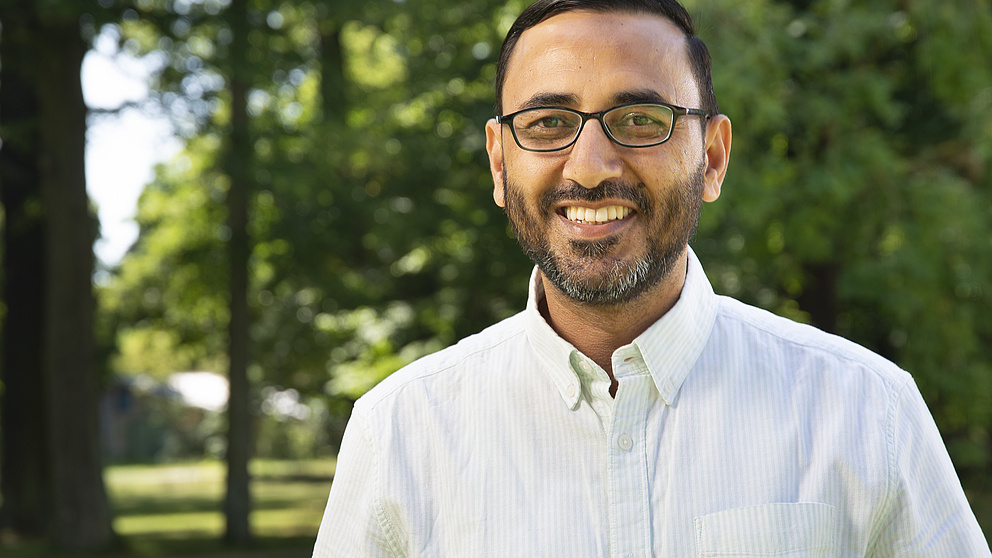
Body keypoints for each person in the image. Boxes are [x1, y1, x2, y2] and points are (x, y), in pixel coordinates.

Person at [313, 0, 990, 555]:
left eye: (640, 119)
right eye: (548, 122)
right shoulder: (400, 433)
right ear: (498, 162)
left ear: (713, 156)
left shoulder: (868, 411)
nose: (590, 166)